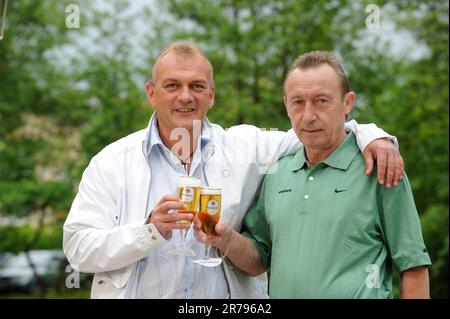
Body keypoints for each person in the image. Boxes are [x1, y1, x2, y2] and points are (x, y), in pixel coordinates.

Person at [63, 41, 404, 299]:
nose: (185, 96)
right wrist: (149, 231)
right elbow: (78, 247)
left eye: (196, 86)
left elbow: (316, 130)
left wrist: (374, 136)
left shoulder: (247, 146)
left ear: (211, 95)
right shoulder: (111, 162)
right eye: (172, 86)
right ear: (152, 93)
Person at [195, 50, 431, 299]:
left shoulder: (380, 167)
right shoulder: (277, 173)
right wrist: (225, 238)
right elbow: (258, 260)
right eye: (298, 102)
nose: (308, 116)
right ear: (286, 104)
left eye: (321, 101)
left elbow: (413, 265)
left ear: (347, 103)